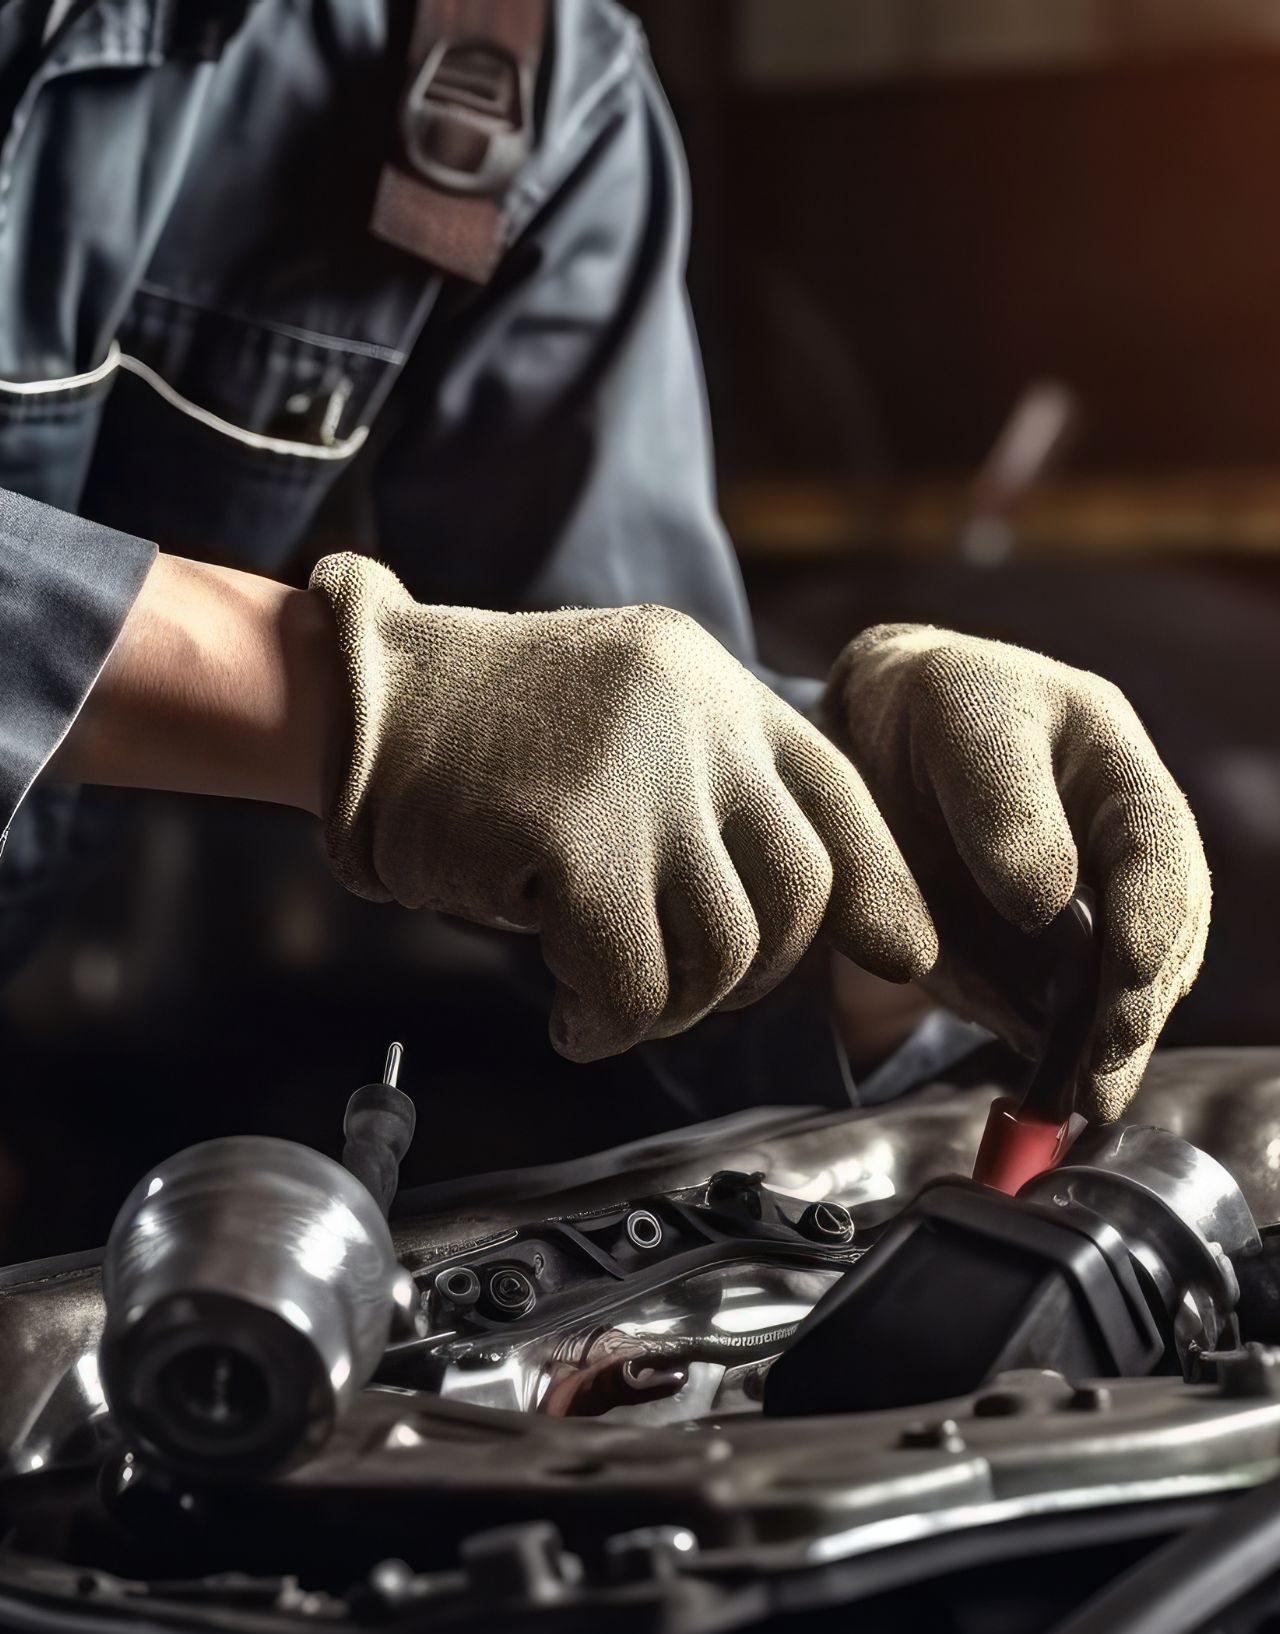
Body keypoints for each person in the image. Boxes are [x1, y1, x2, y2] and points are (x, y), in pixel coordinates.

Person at [1, 0, 1207, 1130]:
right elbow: (449, 717)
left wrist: (887, 872)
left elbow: (604, 772)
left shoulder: (531, 88)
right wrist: (358, 701)